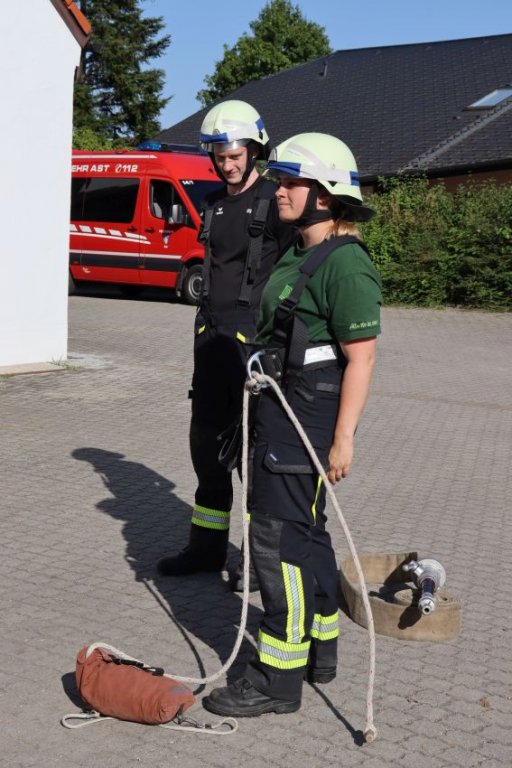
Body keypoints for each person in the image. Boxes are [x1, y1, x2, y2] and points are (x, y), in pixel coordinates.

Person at [203, 132, 382, 717]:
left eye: (293, 182)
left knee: (278, 543)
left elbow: (362, 357)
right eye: (281, 180)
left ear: (327, 197)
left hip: (302, 421)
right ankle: (319, 648)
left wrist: (344, 438)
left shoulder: (346, 264)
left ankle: (276, 679)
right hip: (280, 410)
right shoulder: (300, 250)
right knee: (306, 538)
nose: (280, 190)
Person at [157, 100, 295, 584]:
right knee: (207, 454)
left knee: (255, 464)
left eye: (235, 154)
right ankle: (206, 549)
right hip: (211, 343)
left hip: (253, 349)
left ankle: (259, 564)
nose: (227, 163)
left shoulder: (277, 203)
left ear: (255, 150)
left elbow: (303, 270)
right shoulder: (214, 205)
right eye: (219, 154)